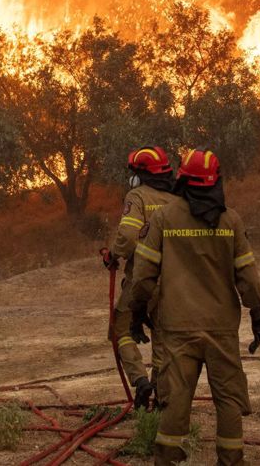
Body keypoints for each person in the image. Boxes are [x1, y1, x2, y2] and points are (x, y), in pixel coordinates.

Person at [130, 148, 260, 465]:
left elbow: (143, 276)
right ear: (216, 181)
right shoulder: (230, 220)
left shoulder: (164, 219)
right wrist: (257, 314)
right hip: (221, 328)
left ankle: (166, 460)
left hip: (178, 328)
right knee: (229, 399)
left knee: (176, 400)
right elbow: (248, 277)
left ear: (182, 179)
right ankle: (231, 460)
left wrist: (138, 314)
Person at [103, 146, 181, 409]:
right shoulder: (176, 199)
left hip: (142, 280)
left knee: (120, 330)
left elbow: (126, 236)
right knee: (162, 336)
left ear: (140, 175)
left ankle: (140, 380)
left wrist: (113, 255)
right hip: (172, 281)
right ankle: (161, 394)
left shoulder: (137, 196)